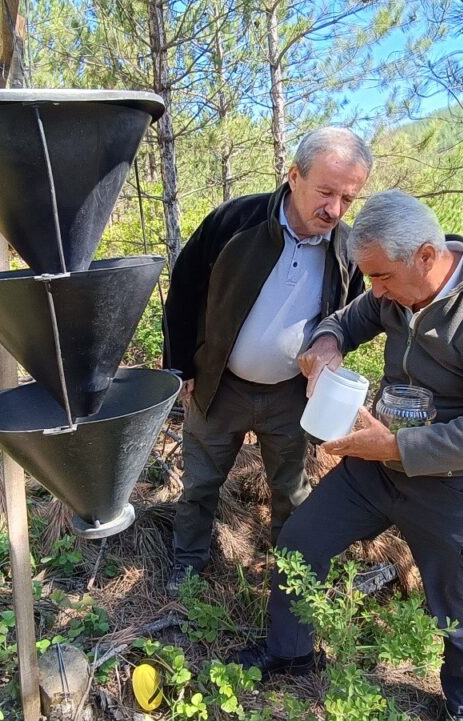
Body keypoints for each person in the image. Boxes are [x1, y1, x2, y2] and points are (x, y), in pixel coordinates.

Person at [232, 190, 463, 721]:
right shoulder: (392, 286)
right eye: (368, 277)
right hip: (377, 468)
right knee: (301, 539)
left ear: (425, 255)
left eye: (382, 278)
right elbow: (347, 320)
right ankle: (291, 653)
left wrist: (397, 446)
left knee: (461, 609)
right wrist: (327, 343)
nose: (375, 291)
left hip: (457, 488)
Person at [162, 127, 373, 596]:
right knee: (199, 485)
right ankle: (188, 563)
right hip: (220, 386)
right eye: (325, 192)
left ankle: (289, 573)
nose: (334, 209)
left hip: (290, 396)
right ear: (294, 176)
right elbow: (184, 289)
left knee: (291, 491)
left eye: (347, 198)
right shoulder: (234, 221)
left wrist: (332, 352)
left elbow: (352, 315)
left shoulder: (347, 248)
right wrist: (182, 367)